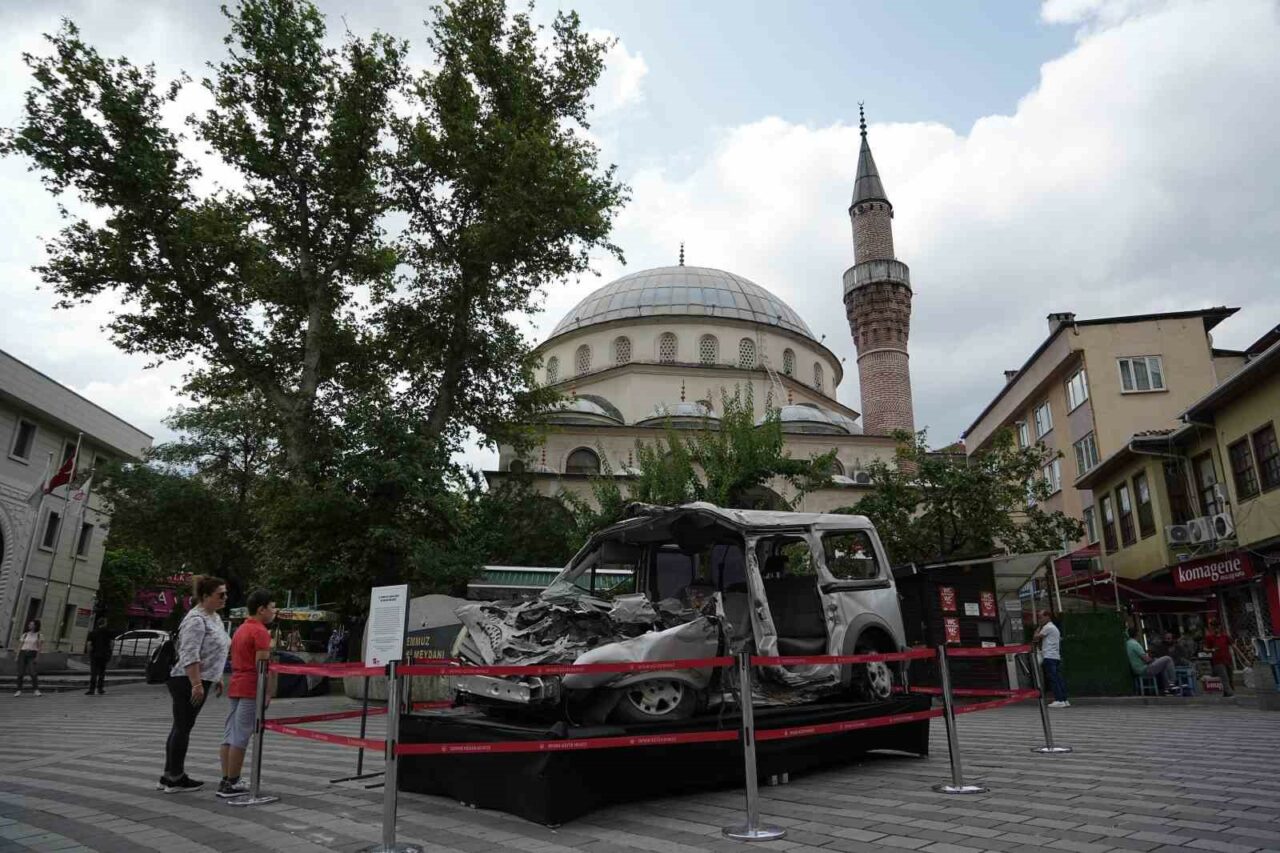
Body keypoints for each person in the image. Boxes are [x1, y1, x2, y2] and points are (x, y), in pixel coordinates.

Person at [159, 576, 231, 794]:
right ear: (206, 596)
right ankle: (175, 777)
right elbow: (189, 653)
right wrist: (196, 683)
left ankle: (169, 774)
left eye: (225, 594)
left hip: (203, 677)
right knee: (183, 726)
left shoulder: (214, 618)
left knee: (181, 725)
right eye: (220, 594)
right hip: (186, 679)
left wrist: (216, 676)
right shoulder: (196, 620)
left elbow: (214, 650)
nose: (224, 598)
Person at [218, 589, 277, 798]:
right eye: (272, 607)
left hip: (236, 683)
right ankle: (233, 781)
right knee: (241, 735)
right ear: (261, 609)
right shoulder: (260, 632)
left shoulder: (241, 629)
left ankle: (226, 777)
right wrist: (268, 691)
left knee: (230, 733)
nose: (274, 611)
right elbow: (262, 665)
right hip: (251, 686)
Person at [1126, 627, 1177, 694]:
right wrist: (1153, 660)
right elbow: (1147, 660)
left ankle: (1167, 688)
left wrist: (1155, 660)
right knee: (1168, 659)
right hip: (1144, 669)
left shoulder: (1128, 643)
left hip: (1136, 669)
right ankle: (1172, 683)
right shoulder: (1135, 644)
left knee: (1162, 664)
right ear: (1137, 634)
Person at [1033, 611, 1069, 708]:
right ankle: (1064, 699)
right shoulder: (1053, 628)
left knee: (1053, 679)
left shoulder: (1048, 627)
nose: (1040, 620)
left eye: (1041, 617)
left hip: (1049, 656)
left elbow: (1036, 637)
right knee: (1058, 678)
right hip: (1055, 656)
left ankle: (1059, 699)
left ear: (1047, 617)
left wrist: (1038, 627)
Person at [1202, 620, 1235, 697]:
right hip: (1218, 661)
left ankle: (1226, 693)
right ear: (1212, 628)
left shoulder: (1225, 636)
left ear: (1219, 627)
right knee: (1224, 677)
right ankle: (1230, 693)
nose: (1216, 629)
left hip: (1228, 659)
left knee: (1230, 677)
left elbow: (1234, 646)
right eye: (1214, 627)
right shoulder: (1209, 637)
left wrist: (1244, 658)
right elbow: (1204, 649)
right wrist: (1212, 650)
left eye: (1217, 627)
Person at [13, 619, 43, 696]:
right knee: (20, 673)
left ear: (35, 626)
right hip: (23, 653)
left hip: (32, 654)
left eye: (31, 624)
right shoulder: (25, 634)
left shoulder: (39, 635)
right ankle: (18, 690)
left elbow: (39, 648)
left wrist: (37, 657)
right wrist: (17, 655)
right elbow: (20, 645)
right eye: (29, 624)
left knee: (32, 673)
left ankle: (36, 690)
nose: (29, 625)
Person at [86, 618, 115, 695]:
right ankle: (100, 688)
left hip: (95, 654)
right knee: (102, 672)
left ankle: (91, 689)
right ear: (105, 623)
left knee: (93, 672)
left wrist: (90, 653)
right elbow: (112, 643)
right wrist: (110, 652)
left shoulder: (92, 633)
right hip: (104, 654)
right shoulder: (109, 632)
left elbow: (89, 645)